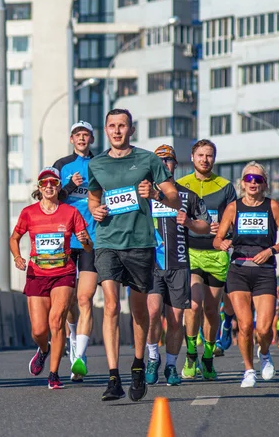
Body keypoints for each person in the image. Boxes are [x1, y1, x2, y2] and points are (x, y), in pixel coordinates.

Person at [87, 109, 181, 402]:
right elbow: (93, 196)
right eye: (112, 126)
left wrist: (156, 195)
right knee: (112, 305)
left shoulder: (148, 160)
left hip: (140, 243)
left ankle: (139, 364)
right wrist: (94, 209)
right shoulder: (97, 163)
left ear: (131, 130)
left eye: (122, 126)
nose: (117, 131)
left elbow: (173, 195)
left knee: (139, 311)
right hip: (107, 241)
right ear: (106, 130)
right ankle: (113, 376)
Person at [214, 161, 279, 387]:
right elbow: (217, 238)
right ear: (242, 183)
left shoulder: (273, 207)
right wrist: (222, 243)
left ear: (264, 184)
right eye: (248, 179)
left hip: (264, 272)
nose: (252, 183)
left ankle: (265, 353)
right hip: (238, 270)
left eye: (257, 179)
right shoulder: (233, 208)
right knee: (246, 324)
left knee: (264, 328)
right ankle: (249, 369)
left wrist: (271, 250)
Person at [10, 166, 92, 389]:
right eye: (44, 183)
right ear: (39, 188)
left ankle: (54, 374)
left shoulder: (70, 212)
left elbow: (87, 246)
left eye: (53, 183)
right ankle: (43, 349)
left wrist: (85, 240)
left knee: (56, 322)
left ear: (58, 187)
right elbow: (14, 238)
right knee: (39, 330)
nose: (49, 186)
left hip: (63, 274)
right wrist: (17, 257)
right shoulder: (29, 212)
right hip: (37, 274)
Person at [143, 145, 210, 386]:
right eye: (159, 160)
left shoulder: (187, 195)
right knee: (151, 313)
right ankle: (152, 358)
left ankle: (171, 365)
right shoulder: (143, 194)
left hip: (179, 264)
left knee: (175, 319)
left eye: (168, 160)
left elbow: (206, 224)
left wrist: (191, 223)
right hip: (151, 265)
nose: (164, 164)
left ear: (175, 165)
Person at [177, 140, 237, 380]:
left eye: (209, 155)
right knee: (193, 304)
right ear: (192, 157)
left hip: (216, 254)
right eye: (200, 155)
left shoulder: (225, 186)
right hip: (190, 251)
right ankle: (191, 354)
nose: (205, 159)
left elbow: (235, 218)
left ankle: (208, 358)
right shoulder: (180, 185)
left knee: (212, 310)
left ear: (214, 158)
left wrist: (227, 238)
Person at [52, 121, 98, 382]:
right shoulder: (62, 165)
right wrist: (69, 185)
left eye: (86, 135)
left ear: (91, 138)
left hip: (91, 239)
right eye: (77, 135)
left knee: (85, 298)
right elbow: (50, 197)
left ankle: (80, 356)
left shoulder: (101, 163)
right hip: (66, 240)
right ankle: (72, 336)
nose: (82, 138)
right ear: (71, 139)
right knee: (68, 301)